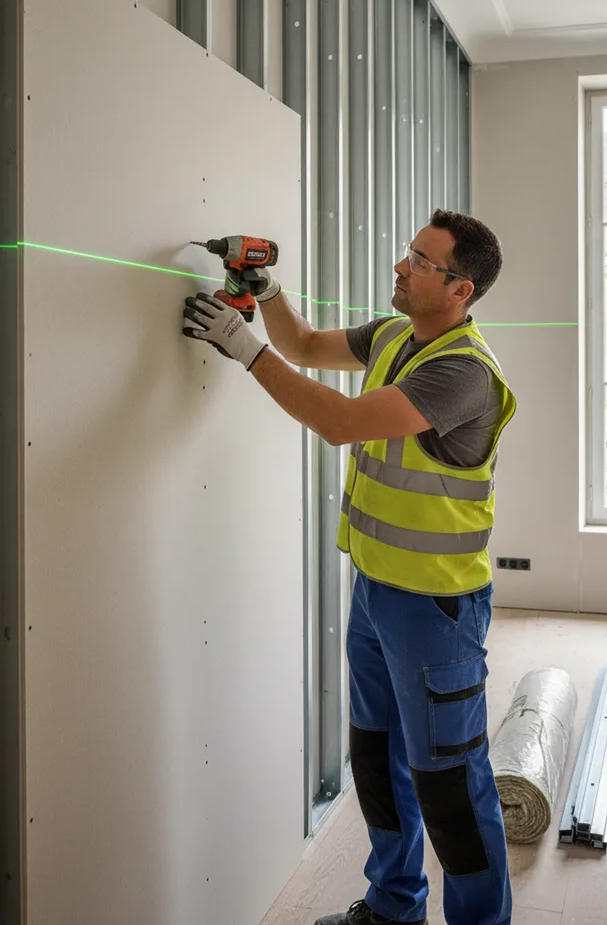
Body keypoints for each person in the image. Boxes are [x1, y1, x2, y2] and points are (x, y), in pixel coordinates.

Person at [182, 209, 516, 925]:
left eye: (420, 263)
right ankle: (395, 907)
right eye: (408, 254)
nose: (401, 268)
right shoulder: (394, 334)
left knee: (451, 786)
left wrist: (240, 346)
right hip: (375, 592)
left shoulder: (462, 373)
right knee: (376, 760)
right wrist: (266, 293)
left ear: (459, 290)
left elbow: (339, 422)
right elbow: (300, 343)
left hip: (436, 607)